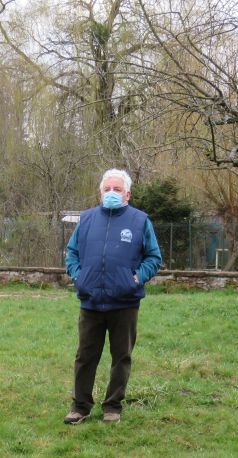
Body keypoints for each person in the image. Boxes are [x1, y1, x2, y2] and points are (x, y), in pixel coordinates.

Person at [63, 169, 162, 424]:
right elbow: (71, 253)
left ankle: (113, 406)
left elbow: (154, 257)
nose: (111, 193)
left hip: (125, 303)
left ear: (127, 194)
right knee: (85, 356)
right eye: (107, 189)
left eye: (117, 190)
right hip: (91, 301)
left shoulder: (140, 221)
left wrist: (137, 279)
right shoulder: (86, 220)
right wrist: (79, 277)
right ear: (100, 192)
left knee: (121, 357)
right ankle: (80, 406)